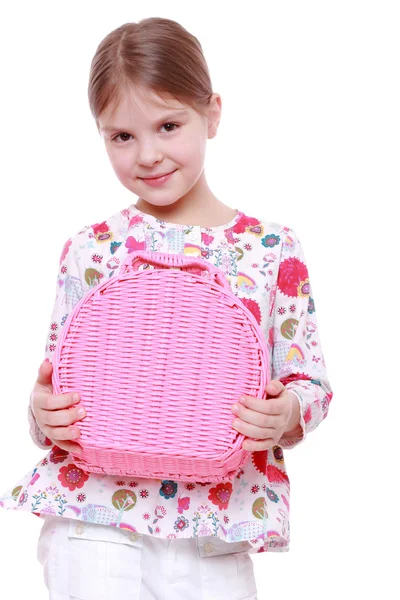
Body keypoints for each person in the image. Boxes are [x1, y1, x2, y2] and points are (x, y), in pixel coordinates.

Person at [0, 16, 333, 600]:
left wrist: (286, 415)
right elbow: (58, 384)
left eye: (168, 125)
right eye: (121, 136)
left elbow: (310, 382)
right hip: (94, 522)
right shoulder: (91, 248)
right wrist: (41, 412)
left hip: (215, 524)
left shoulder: (271, 248)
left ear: (212, 113)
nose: (148, 155)